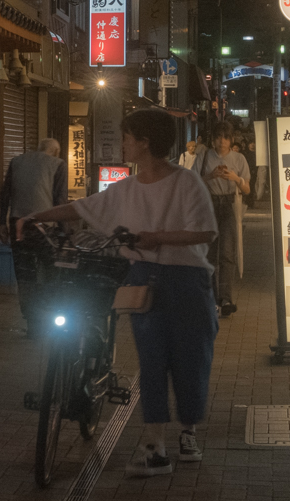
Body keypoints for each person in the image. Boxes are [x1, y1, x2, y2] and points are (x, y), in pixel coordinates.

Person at [18, 108, 217, 478]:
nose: (123, 143)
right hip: (142, 278)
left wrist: (156, 237)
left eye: (128, 137)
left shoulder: (187, 183)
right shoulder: (124, 189)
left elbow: (205, 234)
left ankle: (188, 430)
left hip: (187, 279)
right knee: (152, 360)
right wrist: (35, 217)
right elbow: (81, 207)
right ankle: (156, 446)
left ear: (144, 142)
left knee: (190, 358)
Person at [0, 137, 67, 335]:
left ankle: (32, 324)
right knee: (53, 270)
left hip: (18, 225)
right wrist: (63, 232)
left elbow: (5, 194)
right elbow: (60, 201)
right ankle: (51, 317)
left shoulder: (16, 161)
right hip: (44, 227)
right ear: (55, 151)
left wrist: (2, 223)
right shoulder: (58, 164)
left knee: (25, 275)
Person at [199, 122, 249, 316]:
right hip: (209, 204)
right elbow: (193, 182)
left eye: (226, 137)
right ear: (213, 139)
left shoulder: (239, 158)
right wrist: (211, 176)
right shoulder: (204, 156)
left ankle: (226, 298)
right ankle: (210, 299)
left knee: (227, 254)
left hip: (229, 204)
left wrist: (235, 178)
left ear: (231, 140)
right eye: (218, 136)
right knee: (209, 254)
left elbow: (247, 188)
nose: (222, 141)